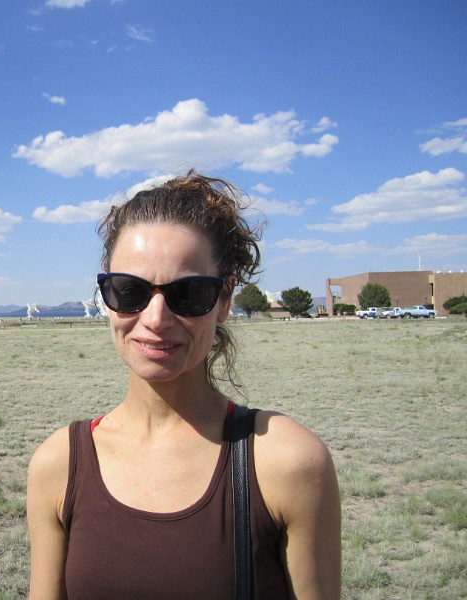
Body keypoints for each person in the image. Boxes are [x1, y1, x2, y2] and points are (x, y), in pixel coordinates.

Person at [26, 171, 341, 599]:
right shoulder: (59, 464)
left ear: (225, 300)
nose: (155, 319)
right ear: (106, 298)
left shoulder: (287, 462)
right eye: (129, 290)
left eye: (189, 293)